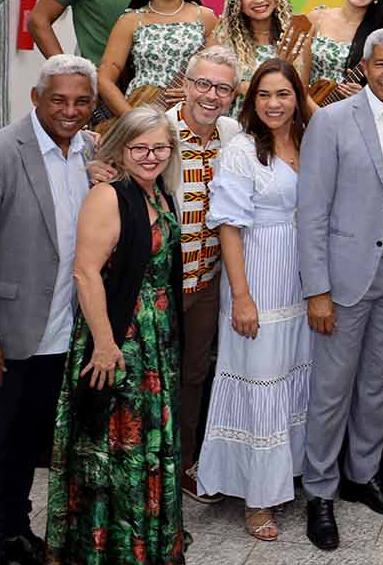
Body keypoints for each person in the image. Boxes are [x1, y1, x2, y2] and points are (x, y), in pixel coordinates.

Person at [0, 54, 100, 565]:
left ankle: (15, 529)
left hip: (61, 333)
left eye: (81, 101)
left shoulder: (92, 151)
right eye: (58, 99)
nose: (69, 110)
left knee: (28, 445)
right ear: (36, 98)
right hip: (3, 336)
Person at [296, 27, 383, 551]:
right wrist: (318, 290)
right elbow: (311, 213)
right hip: (345, 276)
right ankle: (320, 492)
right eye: (382, 65)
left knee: (376, 383)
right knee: (331, 389)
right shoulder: (332, 121)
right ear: (367, 68)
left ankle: (365, 476)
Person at [46, 101, 181, 565]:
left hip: (154, 338)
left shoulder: (160, 191)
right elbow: (86, 272)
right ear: (121, 149)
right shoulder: (109, 195)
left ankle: (148, 543)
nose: (150, 156)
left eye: (160, 147)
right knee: (113, 445)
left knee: (146, 445)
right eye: (140, 148)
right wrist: (104, 344)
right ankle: (110, 550)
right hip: (118, 336)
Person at [196, 58, 315, 542]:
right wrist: (241, 297)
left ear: (297, 98)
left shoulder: (309, 143)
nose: (273, 104)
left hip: (301, 282)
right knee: (258, 380)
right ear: (251, 101)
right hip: (257, 279)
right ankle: (255, 499)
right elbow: (228, 225)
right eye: (264, 95)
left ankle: (281, 476)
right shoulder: (241, 150)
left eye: (283, 94)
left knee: (288, 377)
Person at [165, 46, 244, 500]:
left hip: (207, 281)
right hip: (159, 286)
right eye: (203, 84)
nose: (211, 96)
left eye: (222, 88)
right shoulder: (158, 129)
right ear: (186, 83)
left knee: (195, 375)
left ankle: (184, 463)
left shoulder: (231, 134)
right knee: (151, 377)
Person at [96, 0, 219, 117]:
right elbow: (104, 79)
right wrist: (132, 119)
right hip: (142, 107)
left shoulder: (205, 17)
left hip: (192, 115)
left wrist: (198, 92)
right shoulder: (130, 20)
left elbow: (218, 74)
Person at [295, 0, 383, 98]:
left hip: (351, 115)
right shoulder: (317, 18)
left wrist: (364, 96)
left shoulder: (381, 33)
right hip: (308, 111)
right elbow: (295, 71)